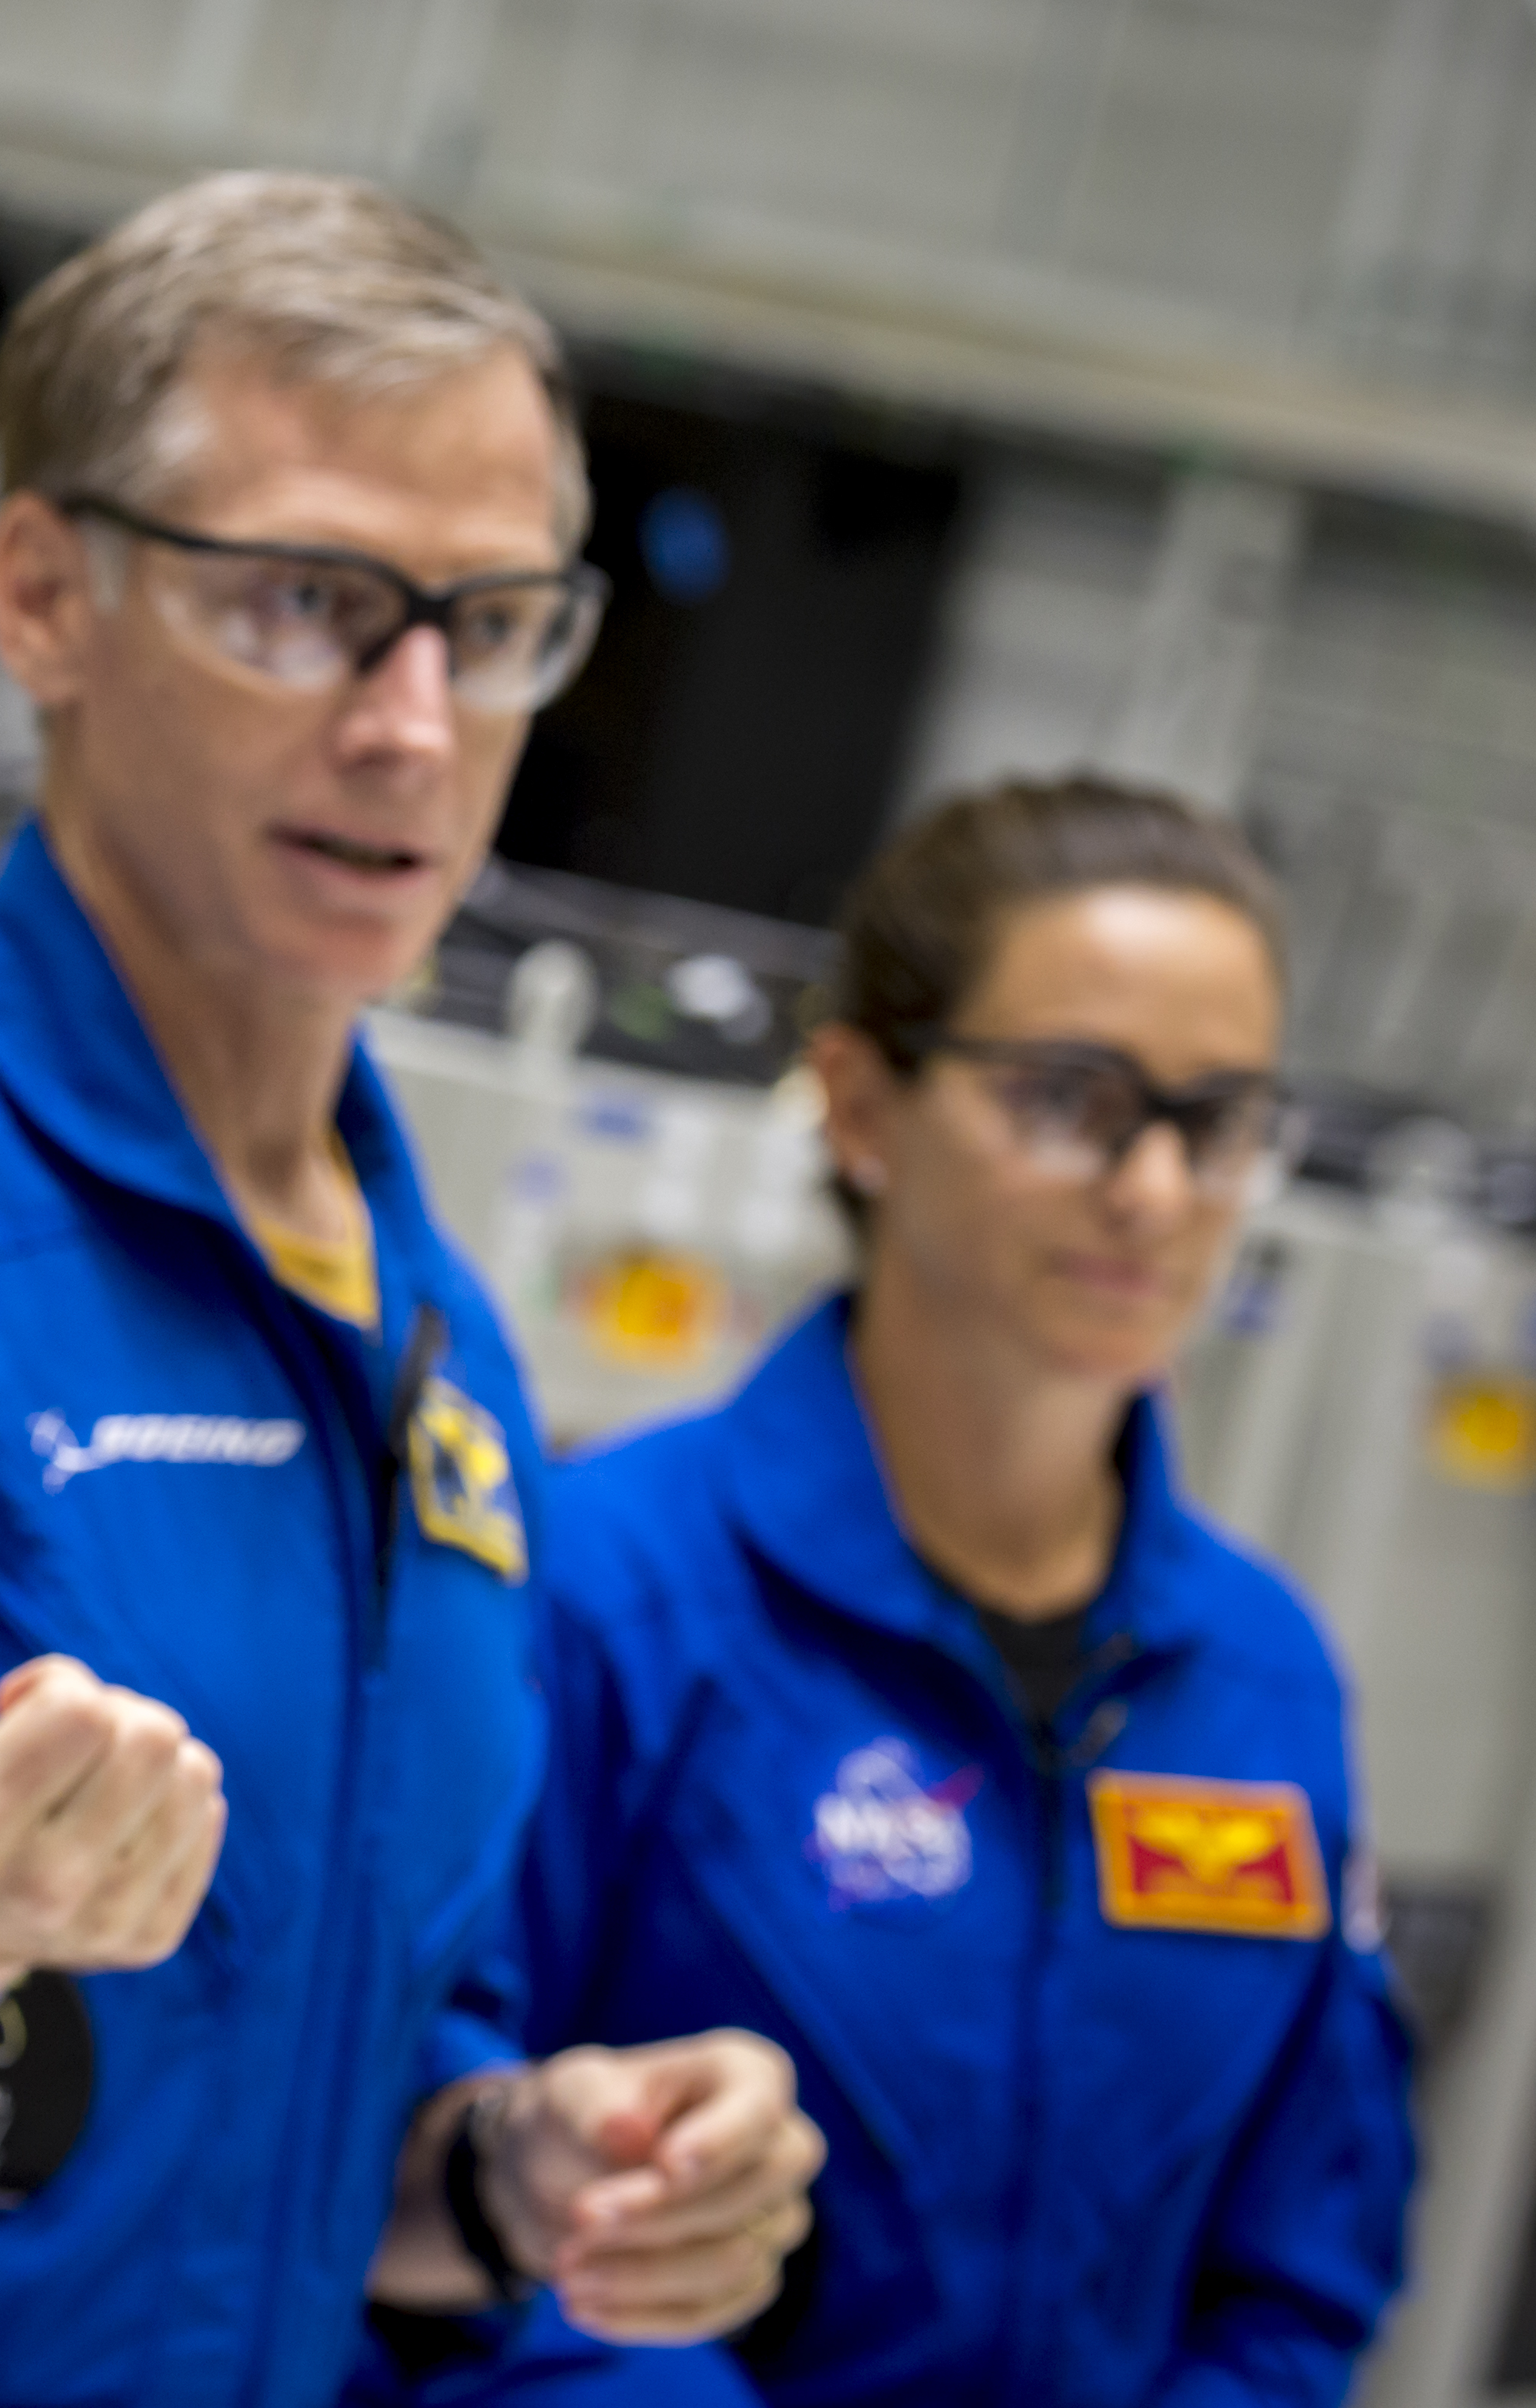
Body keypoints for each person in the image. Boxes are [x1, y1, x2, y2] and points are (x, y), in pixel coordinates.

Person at [0, 173, 823, 2408]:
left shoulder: (439, 1351)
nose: (414, 725)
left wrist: (502, 2172)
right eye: (309, 604)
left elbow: (278, 2119)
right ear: (43, 594)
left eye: (492, 625)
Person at [502, 778, 1416, 2404]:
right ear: (860, 1105)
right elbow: (443, 2156)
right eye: (1071, 1099)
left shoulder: (1263, 1676)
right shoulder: (606, 1589)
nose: (1150, 1190)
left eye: (1213, 1122)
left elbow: (1299, 2261)